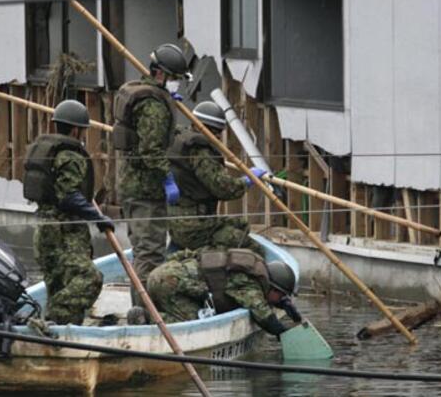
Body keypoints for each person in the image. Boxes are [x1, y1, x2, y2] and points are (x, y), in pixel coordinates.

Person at [23, 99, 114, 325]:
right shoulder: (71, 156)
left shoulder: (49, 151)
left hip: (44, 230)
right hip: (65, 233)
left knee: (57, 283)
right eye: (83, 130)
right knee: (90, 278)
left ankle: (60, 332)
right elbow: (68, 195)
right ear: (76, 129)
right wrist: (98, 218)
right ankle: (55, 318)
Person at [113, 43, 189, 304]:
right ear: (160, 75)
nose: (177, 84)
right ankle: (146, 313)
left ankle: (142, 307)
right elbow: (151, 149)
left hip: (130, 187)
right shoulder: (153, 105)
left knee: (142, 250)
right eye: (175, 79)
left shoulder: (141, 92)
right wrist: (168, 178)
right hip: (145, 191)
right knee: (150, 254)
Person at [167, 101, 267, 254]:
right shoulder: (200, 151)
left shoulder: (179, 140)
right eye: (216, 131)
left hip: (176, 223)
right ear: (204, 128)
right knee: (251, 248)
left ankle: (173, 254)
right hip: (196, 226)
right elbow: (223, 188)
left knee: (240, 223)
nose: (219, 137)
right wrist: (247, 181)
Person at [146, 248, 302, 336]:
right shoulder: (249, 285)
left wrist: (284, 304)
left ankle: (154, 313)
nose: (278, 299)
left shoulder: (253, 266)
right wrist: (284, 333)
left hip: (163, 272)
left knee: (191, 308)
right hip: (171, 282)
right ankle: (147, 318)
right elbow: (264, 316)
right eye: (280, 296)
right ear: (272, 286)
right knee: (195, 327)